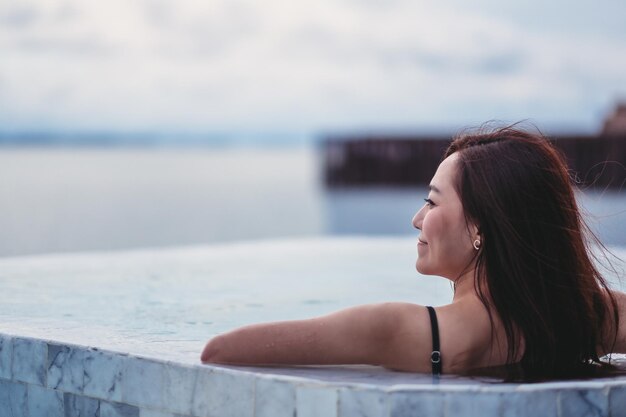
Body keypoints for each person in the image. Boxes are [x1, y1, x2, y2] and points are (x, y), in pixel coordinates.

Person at [201, 126, 626, 381]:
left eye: (433, 202)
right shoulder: (588, 316)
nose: (417, 219)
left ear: (480, 226)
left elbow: (220, 352)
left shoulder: (400, 330)